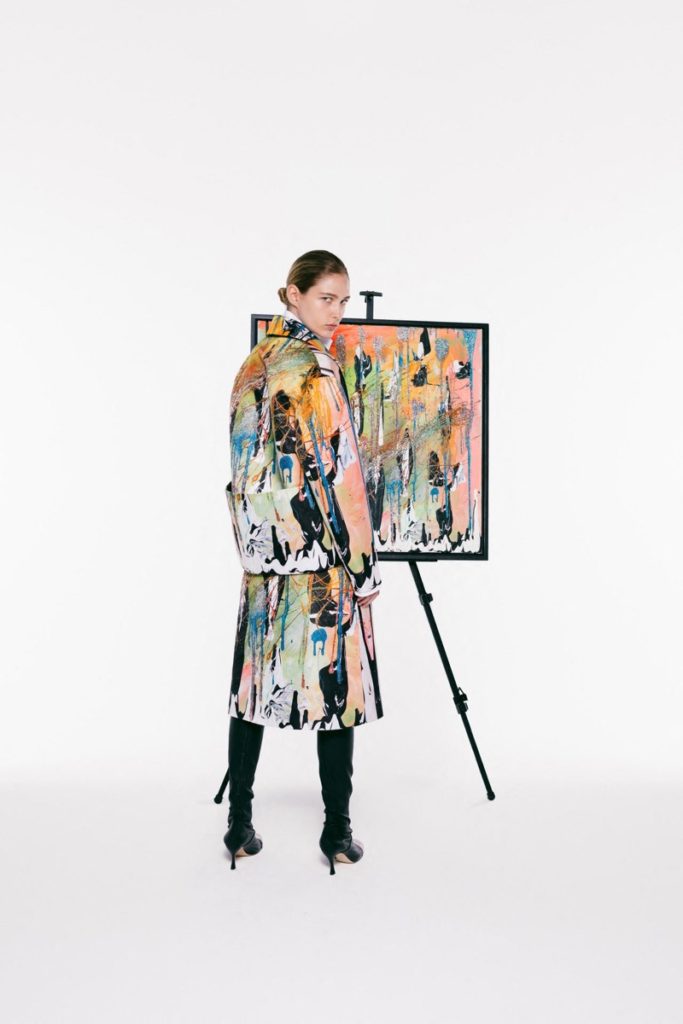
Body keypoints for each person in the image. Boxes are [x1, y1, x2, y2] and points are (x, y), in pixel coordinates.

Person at [223, 249, 383, 874]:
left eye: (343, 300)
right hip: (322, 558)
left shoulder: (252, 364)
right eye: (326, 298)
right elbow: (343, 475)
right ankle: (337, 832)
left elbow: (240, 463)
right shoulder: (317, 368)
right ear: (293, 294)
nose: (337, 312)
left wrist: (255, 543)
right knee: (335, 689)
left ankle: (239, 825)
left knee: (252, 688)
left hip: (266, 556)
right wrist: (364, 567)